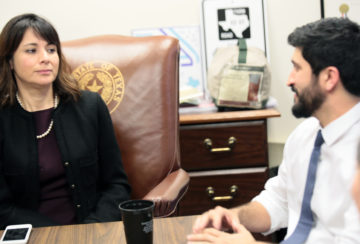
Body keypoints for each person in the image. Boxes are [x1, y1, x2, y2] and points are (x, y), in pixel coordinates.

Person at [187, 17, 360, 243]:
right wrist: (233, 216)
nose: (289, 79)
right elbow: (279, 201)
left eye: (297, 68)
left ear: (329, 78)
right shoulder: (305, 134)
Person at [0, 13, 131, 229]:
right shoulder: (3, 119)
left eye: (51, 49)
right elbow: (3, 208)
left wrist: (92, 228)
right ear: (10, 61)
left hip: (92, 232)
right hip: (32, 235)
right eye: (32, 50)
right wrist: (55, 236)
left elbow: (117, 186)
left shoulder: (90, 106)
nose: (46, 58)